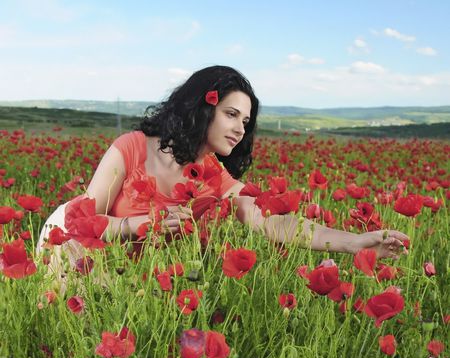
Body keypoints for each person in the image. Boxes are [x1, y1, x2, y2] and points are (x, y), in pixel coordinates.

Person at [36, 65, 408, 274]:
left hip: (139, 282)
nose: (240, 128)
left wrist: (355, 241)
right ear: (202, 108)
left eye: (245, 120)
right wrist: (141, 223)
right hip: (76, 254)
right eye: (231, 114)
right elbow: (83, 221)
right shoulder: (131, 147)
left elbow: (273, 221)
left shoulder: (216, 177)